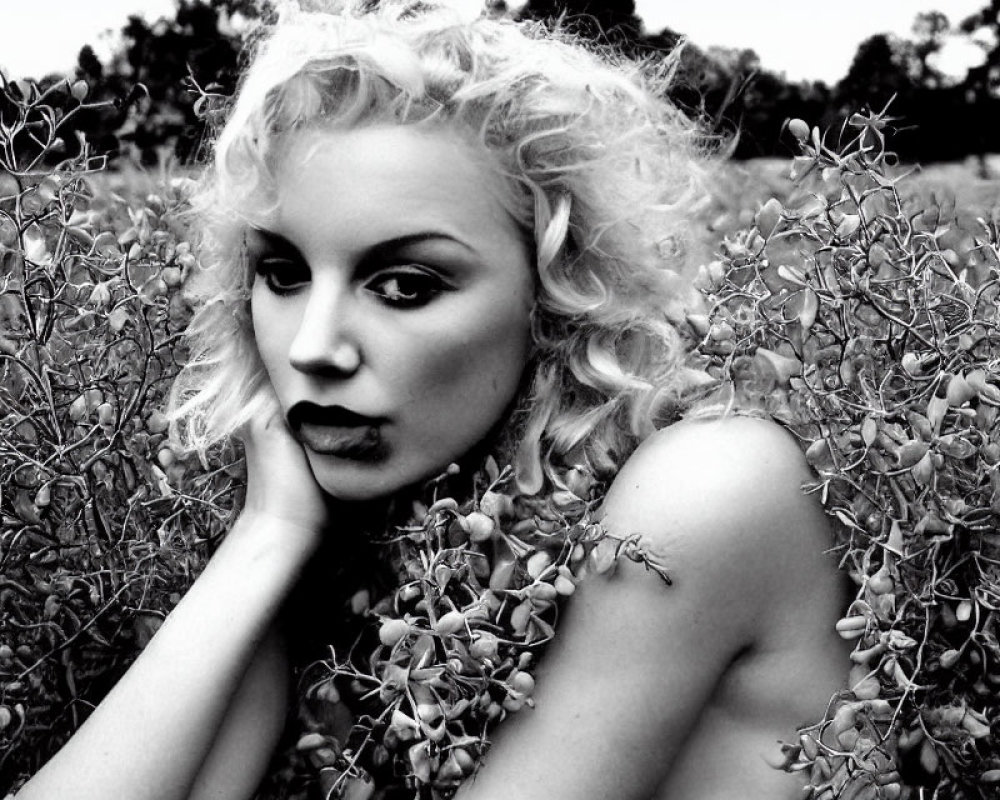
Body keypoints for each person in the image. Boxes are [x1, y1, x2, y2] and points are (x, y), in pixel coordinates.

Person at [16, 2, 850, 798]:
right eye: (282, 273)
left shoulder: (703, 491)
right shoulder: (360, 513)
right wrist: (266, 539)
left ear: (559, 295)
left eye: (405, 285)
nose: (312, 347)